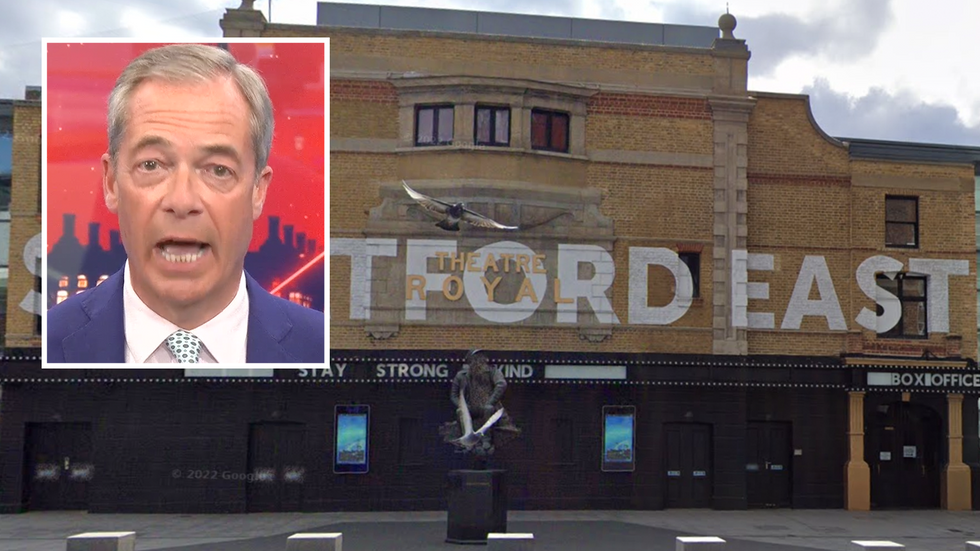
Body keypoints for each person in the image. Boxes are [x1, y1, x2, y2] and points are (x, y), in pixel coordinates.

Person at [46, 43, 324, 364]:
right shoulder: (48, 346)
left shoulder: (317, 346)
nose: (182, 201)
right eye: (152, 165)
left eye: (218, 170)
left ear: (258, 192)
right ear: (111, 184)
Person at [440, 350, 520, 461]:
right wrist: (463, 406)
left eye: (480, 358)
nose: (478, 361)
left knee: (488, 410)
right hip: (470, 408)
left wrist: (490, 401)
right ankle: (467, 440)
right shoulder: (461, 375)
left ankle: (486, 440)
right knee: (460, 412)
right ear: (470, 361)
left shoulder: (492, 371)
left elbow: (501, 384)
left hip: (488, 407)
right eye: (475, 358)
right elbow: (453, 395)